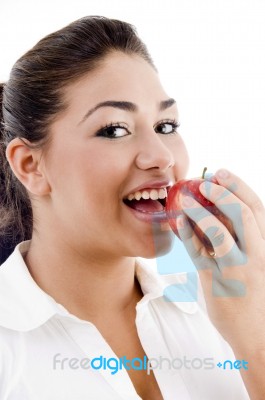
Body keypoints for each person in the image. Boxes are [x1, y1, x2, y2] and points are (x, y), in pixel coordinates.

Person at [0, 15, 264, 399]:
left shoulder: (220, 309)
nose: (161, 156)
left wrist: (252, 331)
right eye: (114, 129)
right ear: (31, 165)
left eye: (166, 126)